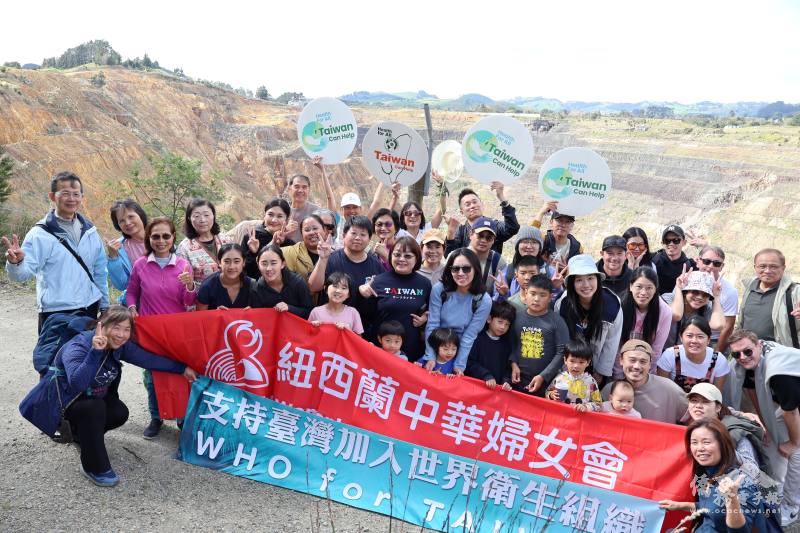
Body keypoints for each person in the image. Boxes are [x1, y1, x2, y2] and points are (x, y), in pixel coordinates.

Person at [21, 307, 197, 487]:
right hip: (60, 404)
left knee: (119, 412)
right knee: (95, 408)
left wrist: (182, 369)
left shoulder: (119, 345)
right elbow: (78, 383)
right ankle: (93, 467)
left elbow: (148, 359)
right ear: (101, 325)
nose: (121, 334)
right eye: (116, 327)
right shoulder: (78, 345)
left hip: (87, 400)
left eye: (126, 329)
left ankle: (81, 437)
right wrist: (95, 352)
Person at [2, 171, 109, 332]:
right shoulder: (40, 234)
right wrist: (16, 264)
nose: (71, 199)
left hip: (89, 307)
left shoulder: (90, 232)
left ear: (82, 197)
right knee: (55, 350)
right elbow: (20, 275)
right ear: (52, 196)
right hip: (56, 312)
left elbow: (100, 272)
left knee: (87, 349)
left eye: (76, 194)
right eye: (65, 193)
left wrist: (105, 306)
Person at [126, 217, 197, 439]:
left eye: (166, 236)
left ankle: (182, 418)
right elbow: (132, 292)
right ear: (149, 238)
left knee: (180, 373)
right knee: (152, 375)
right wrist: (131, 307)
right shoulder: (140, 265)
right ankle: (156, 417)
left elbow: (188, 302)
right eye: (155, 236)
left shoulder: (183, 265)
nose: (161, 240)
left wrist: (190, 285)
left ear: (173, 237)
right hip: (151, 331)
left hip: (177, 331)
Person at [724, 329, 800, 526]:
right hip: (786, 406)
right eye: (736, 354)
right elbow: (753, 390)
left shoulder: (779, 373)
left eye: (747, 351)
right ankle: (775, 496)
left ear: (759, 346)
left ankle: (792, 506)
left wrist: (793, 443)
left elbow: (791, 412)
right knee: (772, 448)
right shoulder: (746, 363)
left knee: (796, 455)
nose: (742, 357)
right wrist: (765, 425)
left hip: (793, 406)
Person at [659, 418, 778, 532]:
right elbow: (711, 507)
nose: (700, 448)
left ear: (722, 444)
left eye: (706, 442)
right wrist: (679, 505)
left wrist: (732, 500)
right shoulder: (706, 472)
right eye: (694, 442)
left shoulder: (741, 482)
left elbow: (741, 531)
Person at [420, 248, 492, 375]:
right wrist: (430, 356)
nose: (461, 273)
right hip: (436, 346)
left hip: (460, 351)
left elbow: (469, 335)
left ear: (476, 269)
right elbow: (432, 324)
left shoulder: (484, 300)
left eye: (466, 269)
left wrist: (459, 365)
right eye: (455, 269)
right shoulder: (439, 290)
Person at [553, 254, 623, 383]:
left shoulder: (612, 303)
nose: (586, 285)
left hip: (596, 363)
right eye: (579, 280)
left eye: (590, 278)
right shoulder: (563, 304)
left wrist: (601, 372)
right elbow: (560, 339)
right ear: (572, 283)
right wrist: (565, 368)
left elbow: (612, 341)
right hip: (569, 366)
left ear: (597, 279)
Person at [359, 236, 431, 361]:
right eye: (397, 255)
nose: (401, 259)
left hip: (410, 347)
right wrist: (362, 293)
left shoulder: (424, 283)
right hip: (381, 347)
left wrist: (425, 319)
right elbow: (366, 315)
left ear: (417, 259)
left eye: (408, 256)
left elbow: (434, 311)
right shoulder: (378, 281)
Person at [309, 215, 385, 333]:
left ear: (369, 239)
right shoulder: (330, 258)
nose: (358, 238)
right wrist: (322, 259)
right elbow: (313, 287)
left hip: (362, 331)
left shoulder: (376, 265)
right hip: (328, 328)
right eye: (353, 233)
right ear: (344, 235)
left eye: (363, 234)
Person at [685, 383, 769, 476]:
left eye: (705, 401)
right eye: (693, 401)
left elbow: (753, 472)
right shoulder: (693, 428)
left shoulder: (735, 432)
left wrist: (724, 448)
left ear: (718, 407)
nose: (698, 406)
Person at [602, 340, 688, 424]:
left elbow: (692, 419)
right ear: (621, 360)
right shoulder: (609, 390)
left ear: (650, 364)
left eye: (643, 362)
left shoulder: (670, 389)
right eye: (632, 360)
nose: (637, 366)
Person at [511, 275, 570, 395]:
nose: (536, 299)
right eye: (533, 294)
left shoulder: (557, 321)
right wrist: (513, 364)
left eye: (542, 295)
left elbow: (562, 352)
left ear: (550, 297)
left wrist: (543, 376)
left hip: (547, 383)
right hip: (517, 378)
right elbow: (511, 344)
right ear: (526, 293)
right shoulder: (516, 317)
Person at [613, 266, 671, 379]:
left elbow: (656, 350)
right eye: (639, 287)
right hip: (619, 365)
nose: (643, 292)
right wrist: (618, 376)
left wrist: (647, 376)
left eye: (649, 288)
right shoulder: (618, 306)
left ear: (655, 289)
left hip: (645, 367)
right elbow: (615, 346)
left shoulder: (664, 311)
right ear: (631, 286)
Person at [738, 248, 800, 349]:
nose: (767, 271)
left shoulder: (794, 292)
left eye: (773, 267)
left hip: (781, 353)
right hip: (748, 352)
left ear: (783, 268)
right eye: (762, 266)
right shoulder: (749, 288)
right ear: (755, 267)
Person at [657, 316, 731, 392]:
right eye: (689, 336)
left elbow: (717, 394)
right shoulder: (670, 355)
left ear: (708, 340)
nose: (694, 341)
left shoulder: (718, 360)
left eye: (700, 336)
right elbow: (661, 390)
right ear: (681, 337)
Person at [445, 185, 519, 255]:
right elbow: (449, 256)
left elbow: (512, 228)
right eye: (467, 204)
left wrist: (502, 198)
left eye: (475, 202)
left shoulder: (493, 225)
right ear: (462, 212)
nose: (472, 206)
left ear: (482, 205)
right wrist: (450, 232)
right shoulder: (460, 231)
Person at [663, 269, 725, 348]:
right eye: (695, 292)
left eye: (705, 294)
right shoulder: (669, 298)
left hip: (687, 352)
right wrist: (679, 288)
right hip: (662, 349)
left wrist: (716, 296)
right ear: (686, 291)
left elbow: (718, 325)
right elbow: (676, 315)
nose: (700, 297)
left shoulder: (706, 307)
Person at [249, 244, 313, 318]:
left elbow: (310, 312)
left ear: (282, 264)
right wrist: (251, 312)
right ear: (258, 265)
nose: (269, 268)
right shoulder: (257, 288)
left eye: (273, 263)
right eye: (264, 264)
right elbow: (259, 317)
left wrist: (289, 308)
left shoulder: (298, 282)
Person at [176, 199, 229, 286]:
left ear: (213, 216)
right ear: (189, 219)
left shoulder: (225, 239)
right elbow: (184, 281)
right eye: (197, 216)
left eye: (206, 215)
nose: (202, 220)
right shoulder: (184, 247)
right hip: (203, 294)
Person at [466, 301, 517, 390]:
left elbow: (508, 368)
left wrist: (506, 381)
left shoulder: (506, 345)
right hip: (475, 388)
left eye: (507, 324)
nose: (503, 327)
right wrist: (486, 375)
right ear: (489, 319)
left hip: (495, 392)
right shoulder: (477, 339)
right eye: (500, 322)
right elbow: (470, 363)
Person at [106, 199, 148, 305]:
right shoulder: (119, 248)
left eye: (131, 216)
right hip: (139, 304)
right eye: (122, 221)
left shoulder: (160, 238)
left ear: (140, 215)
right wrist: (113, 257)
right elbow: (122, 285)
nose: (128, 223)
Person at [697, 245, 738, 352]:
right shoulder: (686, 280)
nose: (710, 266)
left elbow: (728, 326)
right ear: (698, 261)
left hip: (714, 339)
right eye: (706, 261)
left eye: (716, 263)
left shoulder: (730, 291)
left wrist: (717, 352)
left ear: (722, 266)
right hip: (687, 335)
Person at [285, 156, 336, 242]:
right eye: (297, 186)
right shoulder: (283, 211)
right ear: (289, 189)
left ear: (309, 190)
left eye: (304, 187)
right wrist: (286, 230)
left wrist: (322, 170)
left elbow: (331, 208)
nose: (300, 190)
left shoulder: (315, 211)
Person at [241, 198, 295, 279]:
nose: (274, 220)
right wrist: (253, 253)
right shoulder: (251, 238)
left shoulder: (290, 245)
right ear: (264, 215)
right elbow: (244, 270)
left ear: (286, 220)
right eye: (270, 214)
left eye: (280, 216)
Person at [546, 339, 603, 412]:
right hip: (561, 414)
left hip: (580, 417)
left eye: (581, 362)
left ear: (588, 362)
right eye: (572, 361)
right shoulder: (560, 378)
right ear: (565, 360)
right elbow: (547, 392)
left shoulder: (591, 382)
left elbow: (599, 404)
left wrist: (586, 407)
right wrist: (551, 395)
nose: (576, 366)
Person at [196, 244, 255, 311]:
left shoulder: (252, 285)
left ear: (243, 262)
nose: (231, 266)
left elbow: (261, 312)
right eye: (227, 261)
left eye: (236, 261)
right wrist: (214, 313)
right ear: (219, 262)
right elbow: (200, 315)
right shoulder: (207, 286)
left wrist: (254, 311)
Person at [463, 217, 508, 297]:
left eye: (489, 238)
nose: (483, 240)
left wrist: (502, 294)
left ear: (493, 240)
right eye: (480, 236)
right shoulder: (456, 256)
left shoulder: (498, 261)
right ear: (470, 234)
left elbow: (499, 294)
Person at [530, 201, 583, 266]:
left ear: (572, 226)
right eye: (559, 220)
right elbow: (530, 235)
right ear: (551, 222)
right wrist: (541, 213)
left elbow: (580, 269)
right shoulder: (543, 240)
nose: (563, 225)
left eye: (568, 222)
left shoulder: (577, 248)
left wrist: (567, 269)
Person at [652, 224, 696, 295]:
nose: (671, 244)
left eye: (676, 240)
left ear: (684, 242)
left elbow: (710, 265)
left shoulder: (691, 265)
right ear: (662, 243)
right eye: (667, 241)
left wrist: (704, 247)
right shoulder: (652, 259)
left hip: (679, 301)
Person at [281, 214, 325, 282]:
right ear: (302, 234)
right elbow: (267, 255)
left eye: (315, 228)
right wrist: (275, 243)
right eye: (307, 230)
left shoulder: (333, 254)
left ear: (324, 230)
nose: (311, 232)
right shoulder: (291, 251)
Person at [597, 235, 632, 299]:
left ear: (626, 255)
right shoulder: (592, 275)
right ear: (602, 254)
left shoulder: (633, 278)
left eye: (619, 253)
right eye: (610, 253)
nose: (614, 258)